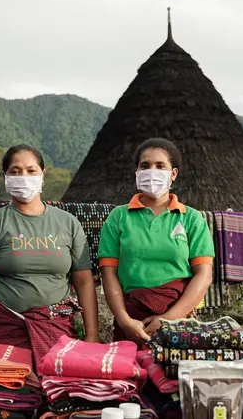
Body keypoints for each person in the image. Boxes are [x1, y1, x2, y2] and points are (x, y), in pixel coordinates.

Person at [0, 144, 99, 365]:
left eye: (31, 170)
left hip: (57, 331)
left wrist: (91, 335)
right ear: (5, 177)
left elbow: (84, 282)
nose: (23, 177)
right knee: (7, 397)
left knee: (62, 397)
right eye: (15, 171)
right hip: (6, 329)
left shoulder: (68, 223)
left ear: (43, 176)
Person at [98, 138, 215, 345]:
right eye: (145, 166)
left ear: (173, 174)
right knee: (130, 375)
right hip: (132, 320)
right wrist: (124, 320)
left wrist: (168, 319)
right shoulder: (118, 217)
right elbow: (109, 275)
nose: (152, 171)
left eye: (160, 166)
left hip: (179, 320)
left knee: (173, 375)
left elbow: (203, 275)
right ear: (137, 172)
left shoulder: (192, 218)